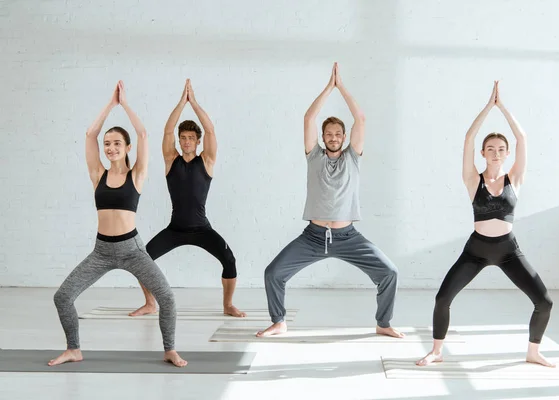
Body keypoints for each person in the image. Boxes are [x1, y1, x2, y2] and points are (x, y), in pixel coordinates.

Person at [257, 63, 402, 338]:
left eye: (338, 134)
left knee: (389, 273)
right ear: (323, 138)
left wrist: (341, 87)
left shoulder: (352, 157)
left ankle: (383, 323)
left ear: (344, 137)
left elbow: (360, 118)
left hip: (348, 237)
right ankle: (279, 321)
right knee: (273, 273)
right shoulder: (314, 157)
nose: (333, 138)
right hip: (313, 237)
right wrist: (328, 88)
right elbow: (308, 119)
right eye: (329, 134)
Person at [416, 81, 554, 368]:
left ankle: (533, 351)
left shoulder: (514, 179)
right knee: (443, 298)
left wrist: (502, 107)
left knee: (544, 301)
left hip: (508, 250)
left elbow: (523, 138)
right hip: (476, 251)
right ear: (483, 153)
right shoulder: (472, 179)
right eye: (490, 148)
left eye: (501, 149)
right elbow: (468, 137)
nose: (495, 152)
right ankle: (437, 350)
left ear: (507, 154)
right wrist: (487, 107)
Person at [49, 81, 187, 367]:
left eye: (116, 144)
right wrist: (110, 106)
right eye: (107, 144)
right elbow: (90, 134)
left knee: (167, 297)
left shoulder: (136, 175)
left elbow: (144, 133)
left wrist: (125, 105)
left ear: (127, 148)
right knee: (63, 297)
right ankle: (73, 348)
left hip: (132, 249)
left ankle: (170, 349)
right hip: (101, 251)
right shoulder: (97, 173)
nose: (110, 148)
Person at [128, 79, 245, 318]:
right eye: (183, 137)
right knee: (141, 260)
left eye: (191, 138)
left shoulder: (207, 161)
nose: (186, 141)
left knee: (229, 260)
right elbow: (167, 131)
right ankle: (150, 303)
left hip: (202, 228)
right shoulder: (171, 160)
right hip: (176, 229)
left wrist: (196, 103)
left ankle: (227, 305)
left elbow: (211, 130)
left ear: (198, 141)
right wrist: (182, 103)